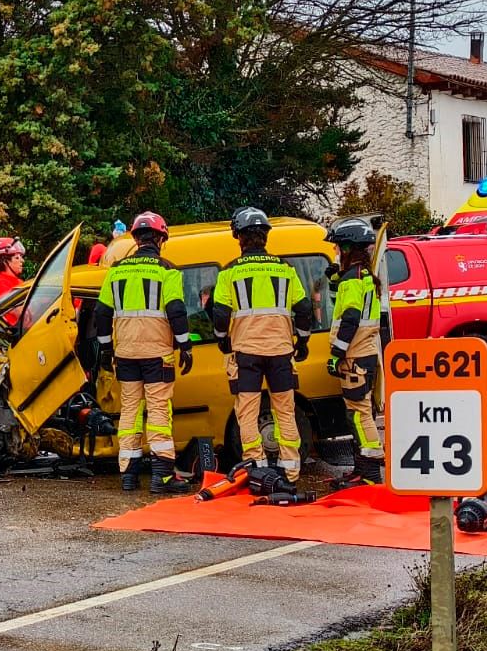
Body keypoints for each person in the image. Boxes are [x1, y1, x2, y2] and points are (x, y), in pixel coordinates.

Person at [210, 208, 315, 493]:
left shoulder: (230, 272)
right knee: (285, 410)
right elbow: (304, 309)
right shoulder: (285, 270)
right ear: (265, 236)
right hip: (281, 351)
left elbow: (220, 313)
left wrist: (223, 339)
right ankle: (291, 470)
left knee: (247, 411)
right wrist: (302, 340)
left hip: (246, 353)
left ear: (238, 237)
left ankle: (256, 471)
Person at [93, 212, 194, 494]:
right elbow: (175, 309)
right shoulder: (167, 270)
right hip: (157, 353)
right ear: (160, 239)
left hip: (125, 353)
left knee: (130, 411)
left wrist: (106, 348)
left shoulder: (116, 271)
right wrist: (185, 345)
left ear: (136, 239)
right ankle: (162, 477)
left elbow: (102, 312)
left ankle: (128, 475)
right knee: (159, 409)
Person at [325, 216, 390, 486]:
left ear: (349, 248)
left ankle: (370, 473)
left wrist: (337, 354)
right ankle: (361, 468)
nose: (337, 252)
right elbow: (344, 305)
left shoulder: (353, 280)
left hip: (353, 357)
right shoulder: (363, 278)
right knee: (361, 411)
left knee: (358, 414)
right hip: (365, 354)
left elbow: (349, 317)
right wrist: (334, 280)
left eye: (339, 247)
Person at [0, 237, 26, 319]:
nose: (22, 261)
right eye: (17, 257)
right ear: (4, 261)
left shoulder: (17, 282)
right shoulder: (0, 284)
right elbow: (24, 315)